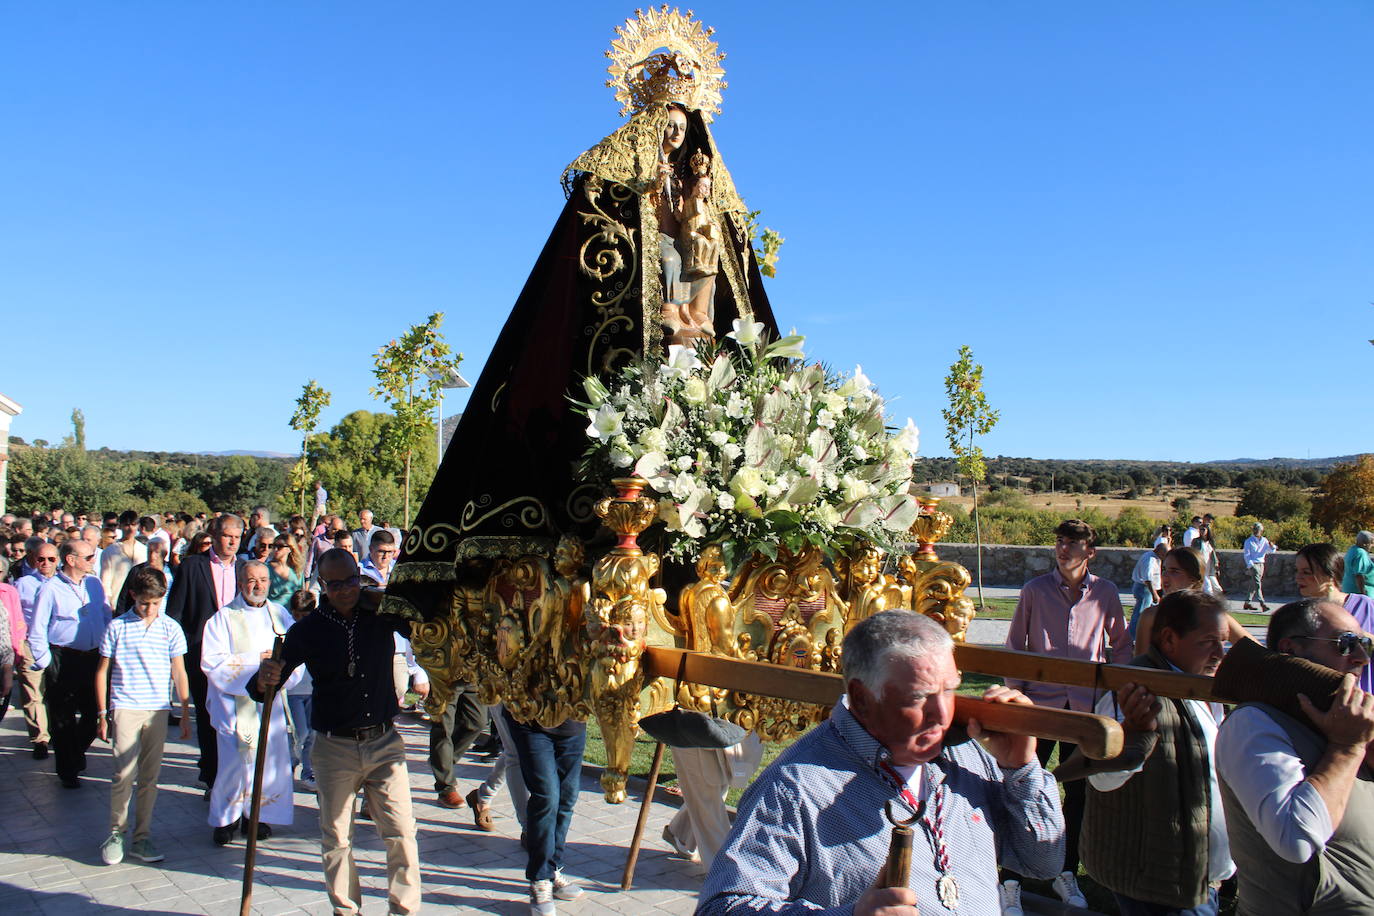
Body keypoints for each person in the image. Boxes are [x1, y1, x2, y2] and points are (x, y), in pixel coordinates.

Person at [698, 610, 1064, 916]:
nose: (942, 714)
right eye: (919, 697)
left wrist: (1022, 769)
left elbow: (1041, 863)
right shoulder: (795, 788)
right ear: (862, 697)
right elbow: (721, 907)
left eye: (950, 689)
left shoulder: (966, 755)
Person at [251, 549, 421, 915]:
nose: (346, 590)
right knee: (337, 836)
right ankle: (345, 910)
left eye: (352, 581)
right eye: (336, 584)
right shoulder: (307, 630)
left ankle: (404, 910)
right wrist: (264, 677)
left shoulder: (380, 614)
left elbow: (423, 625)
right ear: (323, 585)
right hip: (333, 747)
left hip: (384, 741)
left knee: (402, 832)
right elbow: (267, 684)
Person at [1078, 590, 1235, 915]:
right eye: (1208, 641)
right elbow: (1101, 778)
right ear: (1169, 639)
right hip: (1160, 883)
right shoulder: (1135, 692)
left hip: (1195, 877)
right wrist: (1134, 737)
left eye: (1223, 641)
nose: (1220, 652)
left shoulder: (1201, 685)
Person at [1215, 597, 1374, 915]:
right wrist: (1346, 749)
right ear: (1290, 650)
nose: (1361, 658)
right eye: (1346, 643)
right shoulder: (1253, 723)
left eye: (1366, 644)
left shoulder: (1344, 721)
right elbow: (1295, 841)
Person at [1003, 518, 1130, 907]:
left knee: (1078, 795)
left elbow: (1120, 646)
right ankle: (1010, 878)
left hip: (1084, 709)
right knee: (1022, 787)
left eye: (1072, 544)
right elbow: (1015, 649)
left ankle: (1066, 871)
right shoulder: (1034, 591)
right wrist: (1018, 702)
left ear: (1089, 552)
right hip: (1039, 707)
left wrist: (1116, 696)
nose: (1063, 549)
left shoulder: (1105, 593)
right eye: (1059, 542)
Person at [94, 567, 192, 865]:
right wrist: (102, 713)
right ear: (133, 596)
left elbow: (179, 670)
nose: (150, 609)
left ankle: (142, 836)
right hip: (125, 705)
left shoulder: (170, 628)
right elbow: (102, 671)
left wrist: (185, 711)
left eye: (156, 603)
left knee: (150, 777)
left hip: (158, 707)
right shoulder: (118, 627)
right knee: (123, 772)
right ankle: (116, 831)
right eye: (144, 602)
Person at [202, 561, 300, 845]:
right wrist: (255, 659)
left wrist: (279, 671)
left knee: (267, 763)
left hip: (269, 703)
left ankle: (256, 816)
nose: (258, 586)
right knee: (234, 765)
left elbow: (296, 658)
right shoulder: (223, 618)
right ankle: (225, 819)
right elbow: (213, 662)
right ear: (240, 583)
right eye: (251, 580)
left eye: (263, 580)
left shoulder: (279, 615)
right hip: (234, 705)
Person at [166, 513, 244, 790]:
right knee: (209, 718)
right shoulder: (192, 566)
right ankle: (213, 779)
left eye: (237, 537)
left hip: (237, 658)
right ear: (215, 535)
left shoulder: (245, 567)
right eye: (227, 536)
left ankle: (235, 778)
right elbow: (175, 612)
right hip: (201, 655)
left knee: (236, 720)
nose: (232, 542)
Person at [28, 538, 111, 787]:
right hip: (64, 658)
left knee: (93, 713)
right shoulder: (50, 588)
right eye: (88, 558)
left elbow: (106, 614)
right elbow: (38, 627)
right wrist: (46, 662)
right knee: (63, 717)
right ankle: (68, 770)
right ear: (71, 560)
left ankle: (76, 751)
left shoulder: (94, 584)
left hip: (93, 657)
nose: (93, 561)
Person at [1294, 542, 1374, 694]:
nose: (1298, 577)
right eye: (1297, 571)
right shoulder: (1300, 614)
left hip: (1365, 700)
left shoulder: (1365, 606)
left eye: (1306, 572)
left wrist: (1355, 636)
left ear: (1329, 574)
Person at [15, 538, 56, 757]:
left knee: (55, 690)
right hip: (31, 642)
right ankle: (40, 738)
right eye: (41, 559)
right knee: (33, 692)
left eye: (51, 559)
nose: (46, 563)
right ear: (33, 559)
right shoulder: (23, 584)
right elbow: (14, 615)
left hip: (56, 644)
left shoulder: (63, 584)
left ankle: (59, 730)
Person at [285, 589, 317, 790]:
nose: (300, 620)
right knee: (300, 732)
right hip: (294, 691)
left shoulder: (318, 630)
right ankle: (291, 762)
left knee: (313, 733)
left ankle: (309, 770)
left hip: (313, 689)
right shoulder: (289, 630)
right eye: (297, 615)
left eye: (304, 616)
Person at [100, 510, 147, 605]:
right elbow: (105, 581)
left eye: (133, 525)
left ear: (138, 526)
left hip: (140, 601)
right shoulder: (110, 551)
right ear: (120, 526)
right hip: (117, 601)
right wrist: (108, 604)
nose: (130, 529)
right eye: (126, 525)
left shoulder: (144, 550)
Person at [1130, 542, 1167, 637]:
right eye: (1165, 554)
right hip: (1145, 589)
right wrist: (1154, 594)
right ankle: (1133, 637)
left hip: (1146, 589)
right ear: (1159, 551)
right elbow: (1147, 579)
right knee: (1140, 614)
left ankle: (1145, 635)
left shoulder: (1153, 557)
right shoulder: (1150, 560)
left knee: (1149, 614)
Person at [1242, 522, 1277, 611]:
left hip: (1261, 564)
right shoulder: (1248, 541)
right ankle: (1262, 603)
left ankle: (1247, 602)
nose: (1256, 531)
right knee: (1258, 584)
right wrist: (1250, 565)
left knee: (1254, 584)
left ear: (1261, 531)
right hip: (1254, 564)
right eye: (1255, 529)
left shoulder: (1264, 540)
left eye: (1258, 529)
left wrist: (1272, 547)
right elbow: (1247, 554)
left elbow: (1270, 551)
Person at [268, 534, 304, 605]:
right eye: (274, 546)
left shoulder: (297, 570)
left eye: (280, 546)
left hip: (293, 614)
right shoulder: (266, 569)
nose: (275, 549)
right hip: (272, 613)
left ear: (290, 548)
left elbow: (302, 595)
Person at [1342, 531, 1374, 598]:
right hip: (1358, 592)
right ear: (1365, 544)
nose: (1372, 546)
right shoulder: (1360, 553)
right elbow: (1359, 575)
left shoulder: (1352, 549)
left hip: (1349, 590)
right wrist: (1363, 595)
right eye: (1371, 543)